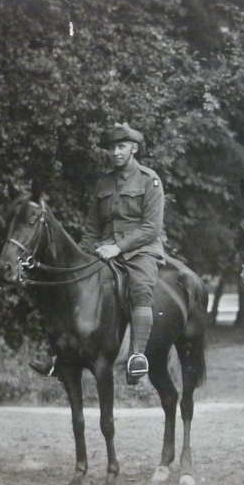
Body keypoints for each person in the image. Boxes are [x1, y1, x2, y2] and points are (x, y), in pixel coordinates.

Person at [65, 122, 164, 385]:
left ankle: (138, 356)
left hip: (140, 250)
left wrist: (118, 247)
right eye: (112, 148)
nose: (115, 152)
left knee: (141, 286)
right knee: (74, 285)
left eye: (121, 146)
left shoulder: (149, 180)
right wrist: (82, 255)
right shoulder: (103, 183)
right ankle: (63, 355)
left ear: (134, 148)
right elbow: (91, 228)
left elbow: (150, 228)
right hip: (104, 249)